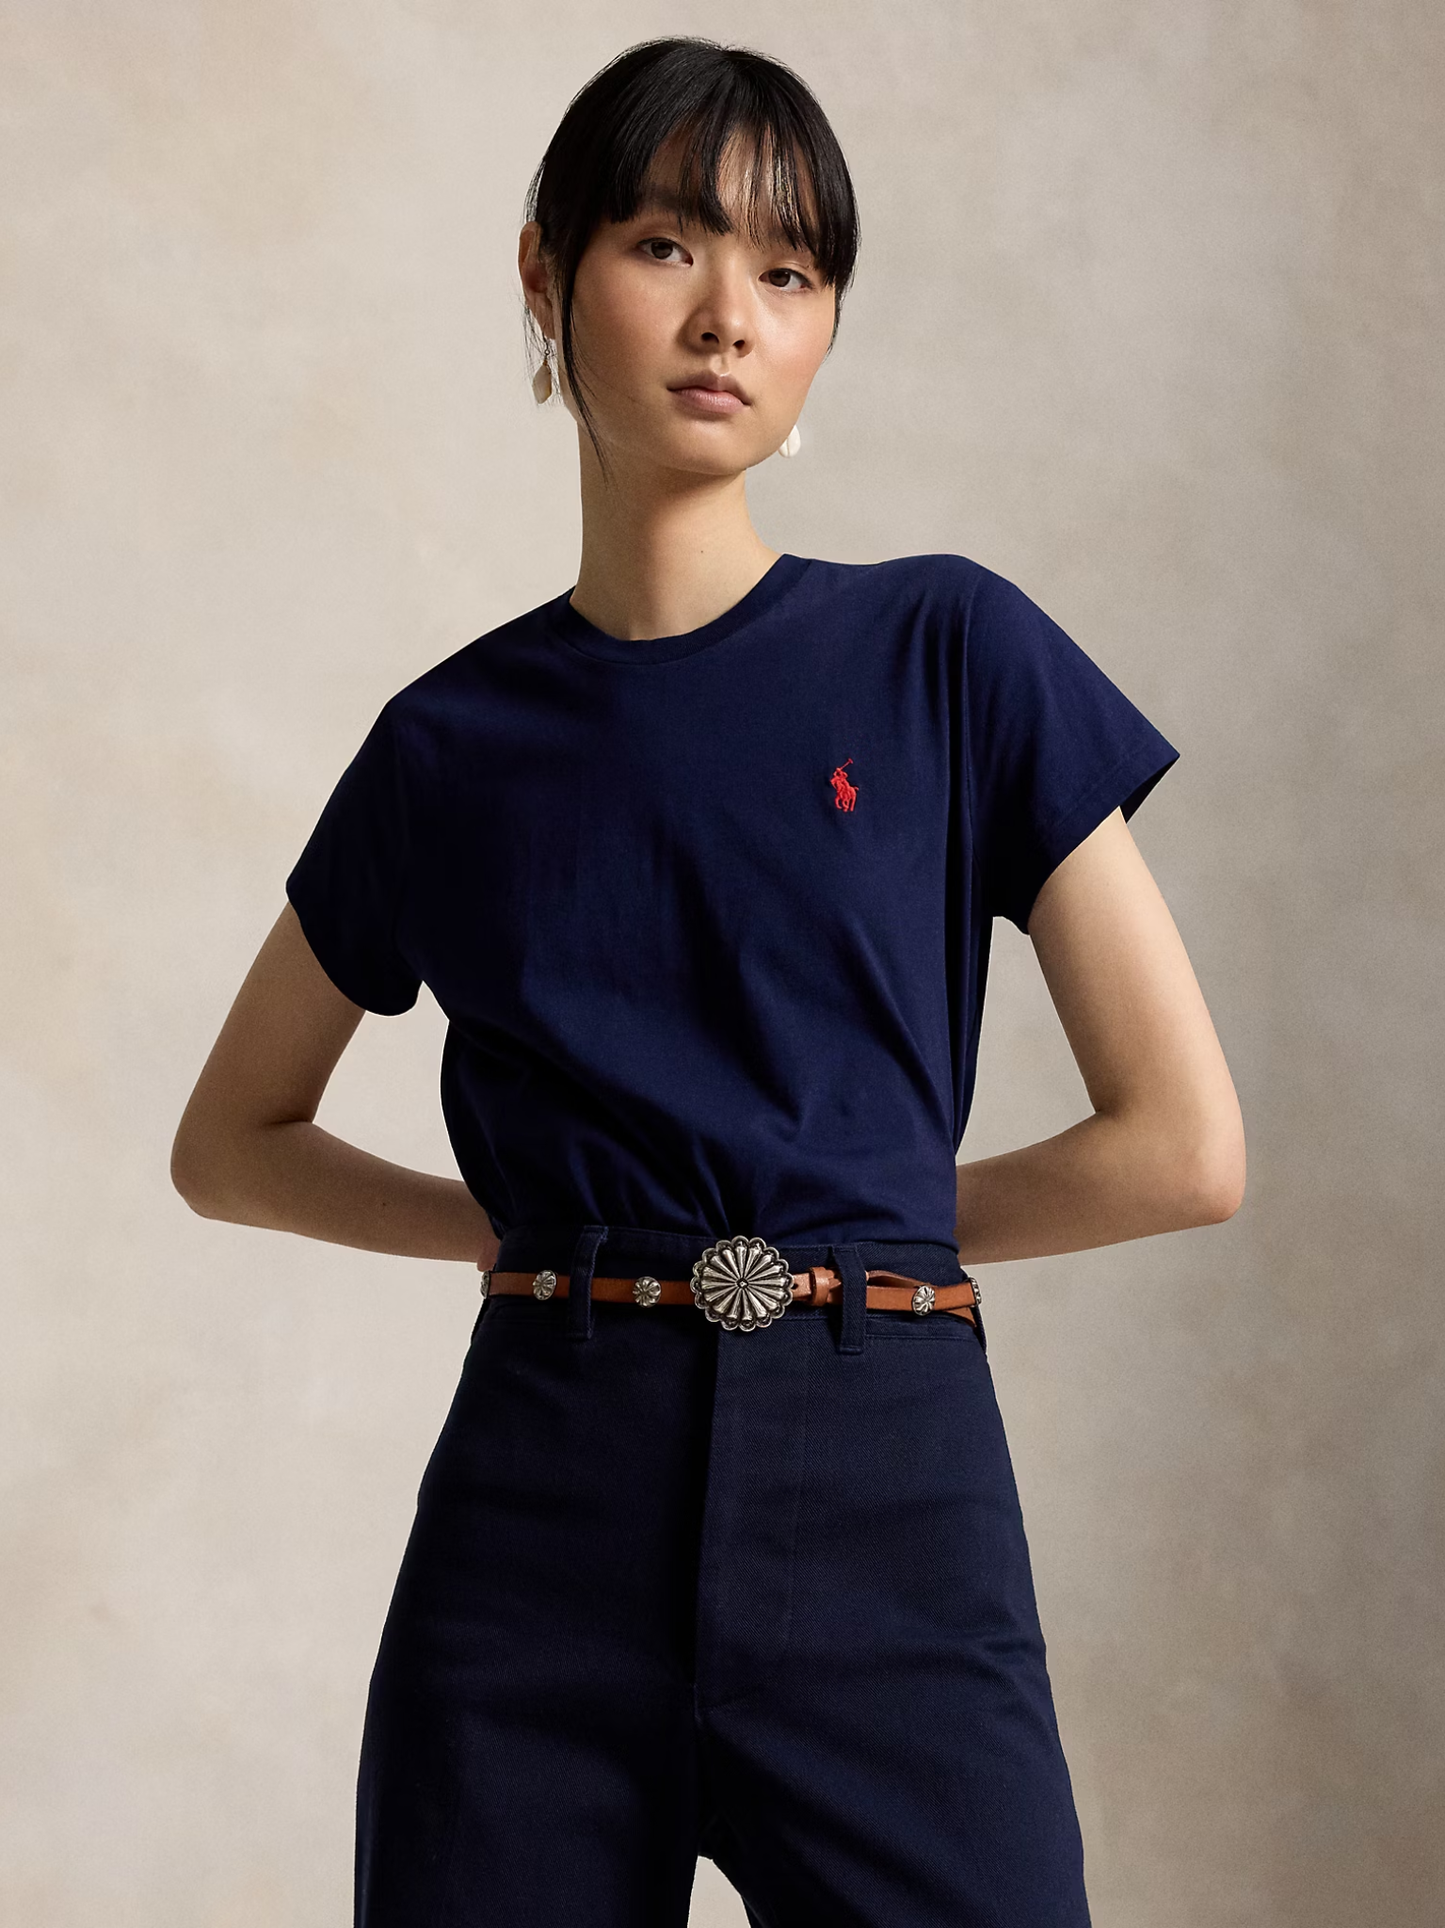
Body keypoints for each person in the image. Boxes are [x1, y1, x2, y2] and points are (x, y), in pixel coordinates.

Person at [171, 34, 1245, 1928]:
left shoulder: (950, 652)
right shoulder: (448, 745)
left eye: (791, 270)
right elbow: (231, 1143)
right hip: (536, 1513)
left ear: (827, 325)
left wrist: (851, 1237)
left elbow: (1183, 1147)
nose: (729, 316)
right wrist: (526, 1232)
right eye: (666, 244)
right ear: (546, 272)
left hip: (889, 1492)